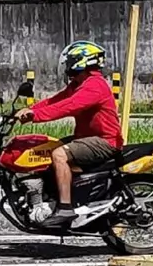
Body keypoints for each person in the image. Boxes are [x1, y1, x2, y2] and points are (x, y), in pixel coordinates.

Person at [15, 40, 122, 228]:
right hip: (86, 138)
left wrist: (35, 116)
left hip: (105, 141)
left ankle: (65, 208)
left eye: (71, 61)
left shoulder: (95, 85)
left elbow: (67, 107)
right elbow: (55, 101)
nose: (68, 67)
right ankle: (48, 198)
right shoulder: (78, 84)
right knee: (42, 150)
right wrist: (29, 109)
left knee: (58, 154)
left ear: (83, 61)